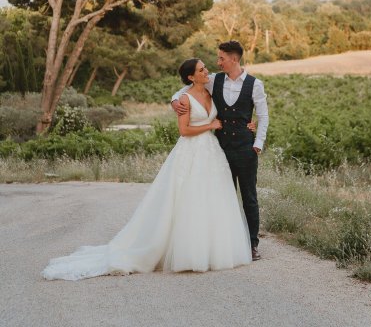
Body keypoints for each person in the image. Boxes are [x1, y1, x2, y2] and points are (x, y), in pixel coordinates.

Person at [42, 58, 252, 281]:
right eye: (201, 70)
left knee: (211, 198)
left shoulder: (210, 91)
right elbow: (184, 130)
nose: (206, 71)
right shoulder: (184, 99)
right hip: (191, 152)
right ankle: (188, 252)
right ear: (191, 77)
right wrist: (210, 125)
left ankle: (214, 249)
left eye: (205, 68)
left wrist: (249, 124)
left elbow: (230, 110)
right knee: (189, 199)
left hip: (211, 153)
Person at [172, 40, 269, 261]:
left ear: (234, 59)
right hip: (220, 149)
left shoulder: (255, 84)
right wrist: (173, 101)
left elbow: (263, 116)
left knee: (249, 197)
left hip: (246, 148)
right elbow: (184, 89)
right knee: (224, 196)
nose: (218, 63)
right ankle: (227, 243)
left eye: (221, 58)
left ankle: (252, 244)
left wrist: (258, 144)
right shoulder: (213, 80)